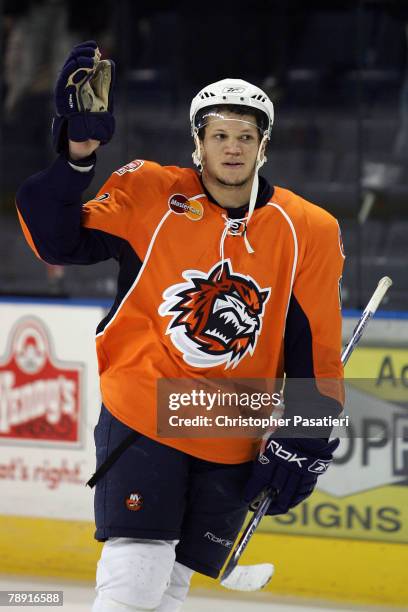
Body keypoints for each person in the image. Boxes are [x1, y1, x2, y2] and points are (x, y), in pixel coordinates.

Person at [16, 42, 344, 612]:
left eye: (245, 135)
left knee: (172, 586)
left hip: (231, 423)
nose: (233, 147)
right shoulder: (151, 192)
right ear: (197, 144)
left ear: (264, 146)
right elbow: (57, 240)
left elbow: (314, 342)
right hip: (145, 408)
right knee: (136, 573)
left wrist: (306, 434)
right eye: (219, 135)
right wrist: (75, 156)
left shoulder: (308, 228)